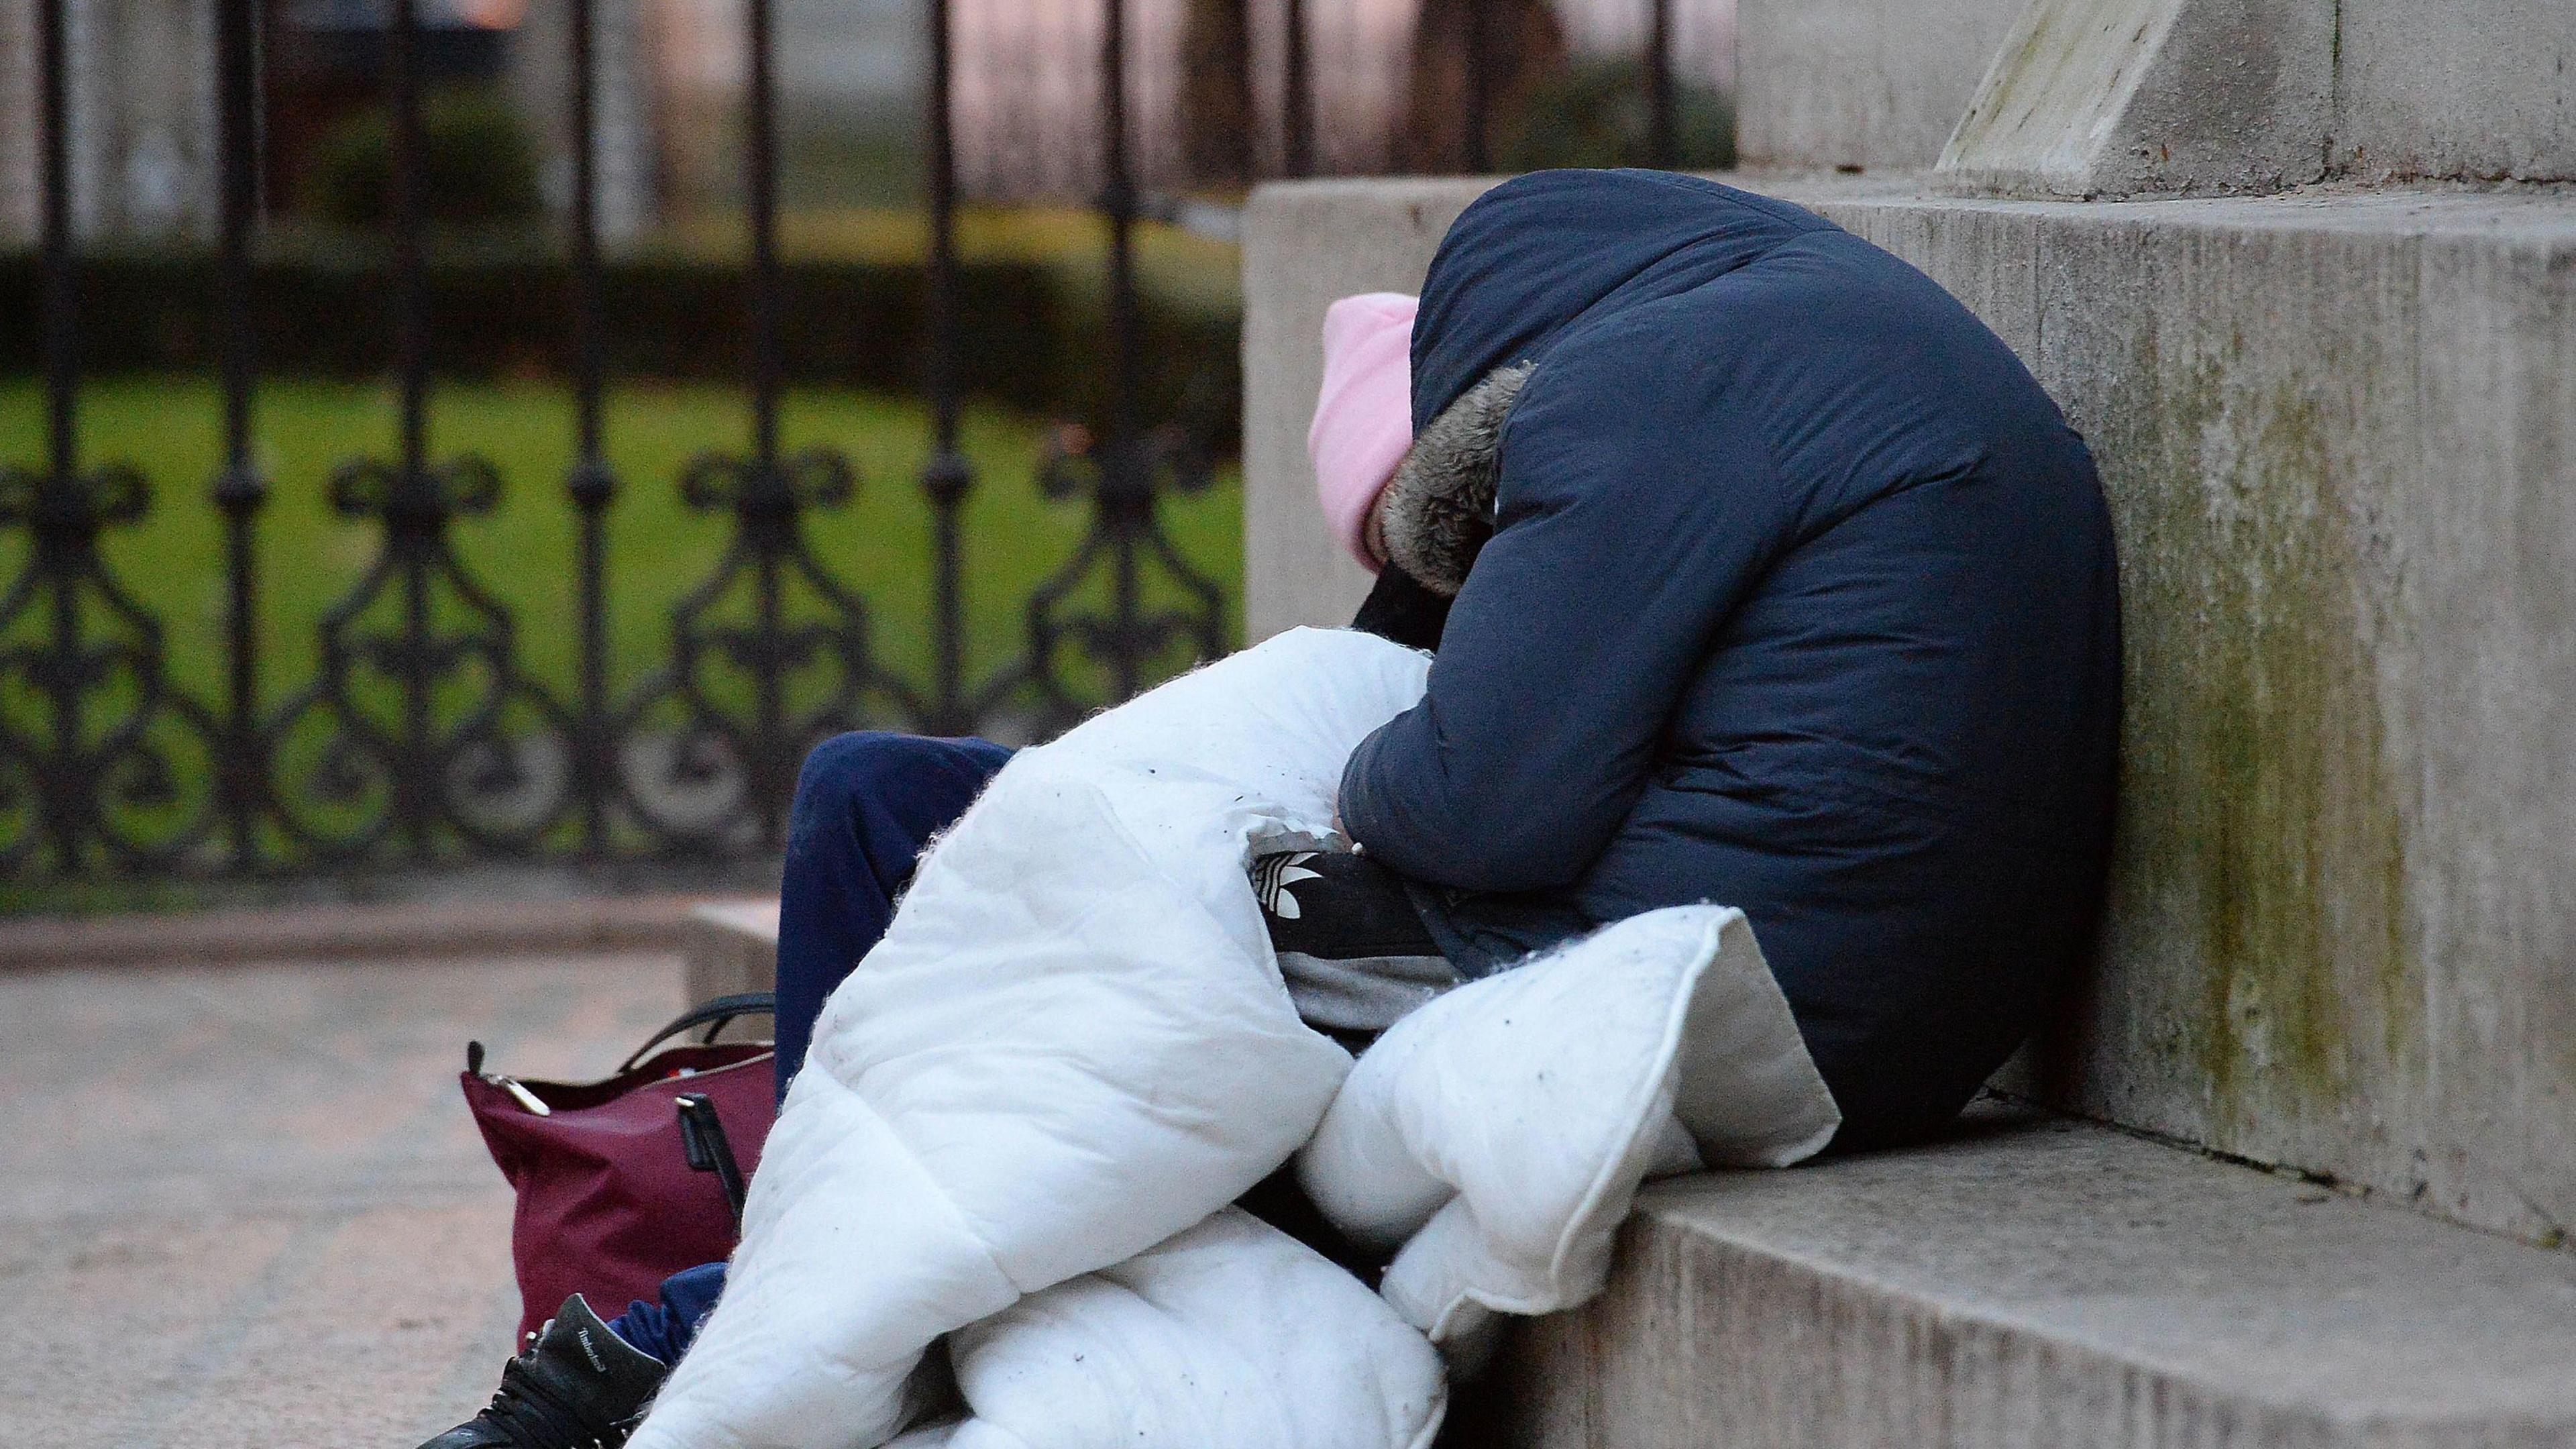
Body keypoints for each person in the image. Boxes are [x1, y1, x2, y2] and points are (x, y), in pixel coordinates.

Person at [421, 168, 2120, 1449]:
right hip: (1858, 983)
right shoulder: (1784, 347)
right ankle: (764, 1269)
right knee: (909, 818)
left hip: (1749, 979)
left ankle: (673, 1343)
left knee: (1091, 1013)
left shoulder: (1647, 388)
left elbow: (1474, 808)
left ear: (1475, 427)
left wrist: (1358, 776)